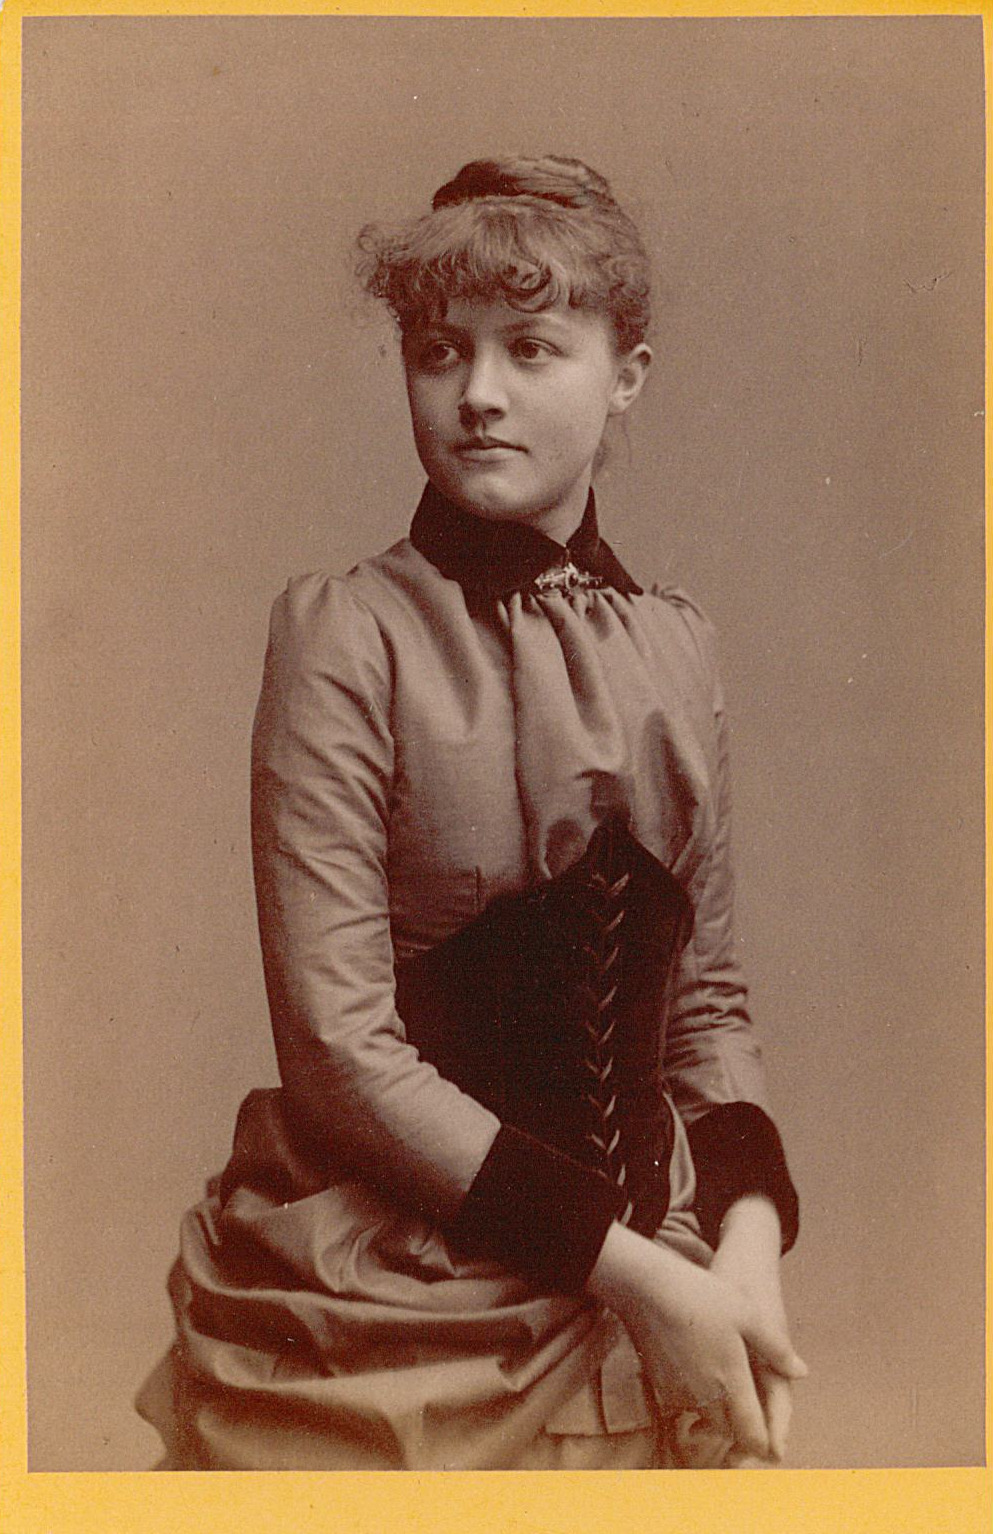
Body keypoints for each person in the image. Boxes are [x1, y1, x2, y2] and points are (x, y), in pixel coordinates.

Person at [137, 154, 804, 1471]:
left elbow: (707, 1008)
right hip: (397, 1307)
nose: (478, 393)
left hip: (667, 1284)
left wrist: (747, 1247)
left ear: (626, 376)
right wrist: (637, 1275)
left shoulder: (678, 646)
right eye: (439, 351)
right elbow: (339, 1054)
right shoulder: (346, 634)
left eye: (531, 348)